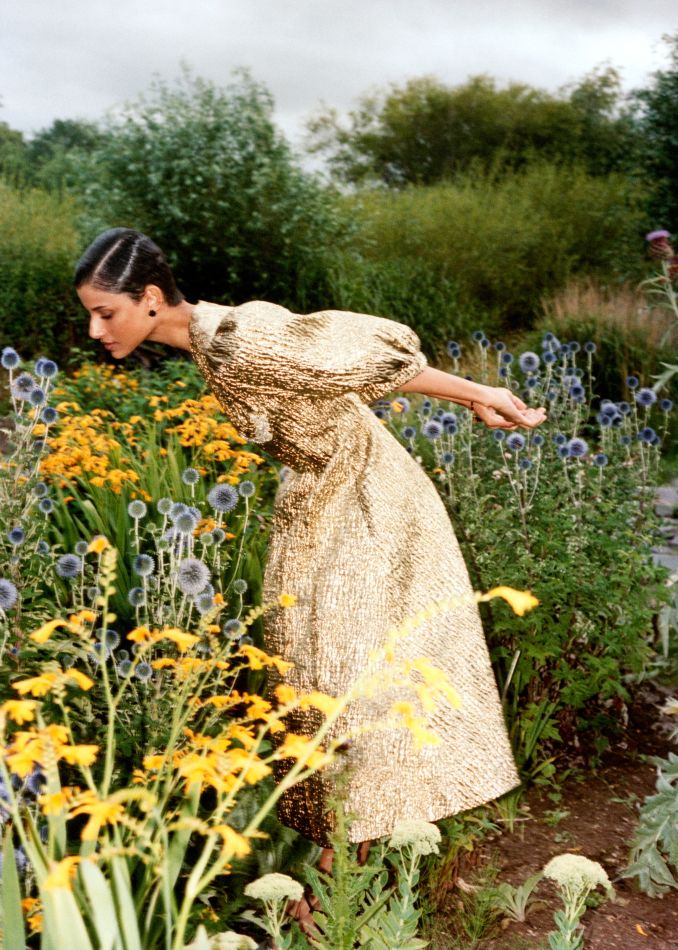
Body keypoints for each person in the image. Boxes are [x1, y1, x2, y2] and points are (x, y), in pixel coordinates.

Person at [75, 228, 546, 925]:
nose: (95, 330)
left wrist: (480, 393)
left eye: (105, 312)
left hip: (368, 500)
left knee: (351, 681)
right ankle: (334, 882)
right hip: (321, 497)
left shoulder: (236, 340)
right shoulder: (209, 343)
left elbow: (363, 359)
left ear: (148, 298)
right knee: (318, 678)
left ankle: (328, 899)